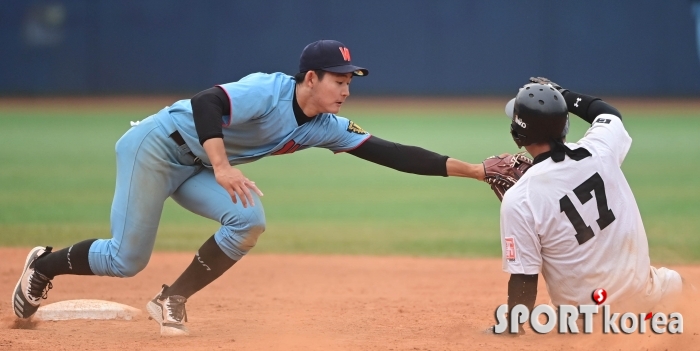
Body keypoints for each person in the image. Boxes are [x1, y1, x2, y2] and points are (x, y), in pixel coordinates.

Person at [12, 39, 486, 336]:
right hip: (157, 147)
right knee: (125, 259)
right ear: (311, 78)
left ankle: (170, 300)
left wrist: (476, 171)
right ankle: (44, 264)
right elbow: (206, 103)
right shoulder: (268, 89)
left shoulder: (324, 125)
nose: (345, 89)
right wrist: (221, 167)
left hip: (198, 163)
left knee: (249, 220)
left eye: (350, 81)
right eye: (338, 80)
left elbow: (392, 152)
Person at [493, 78, 684, 334]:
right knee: (677, 285)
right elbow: (608, 114)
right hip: (644, 298)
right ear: (565, 124)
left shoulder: (520, 199)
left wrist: (510, 328)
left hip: (586, 324)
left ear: (518, 134)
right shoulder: (600, 150)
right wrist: (564, 95)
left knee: (550, 316)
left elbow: (524, 279)